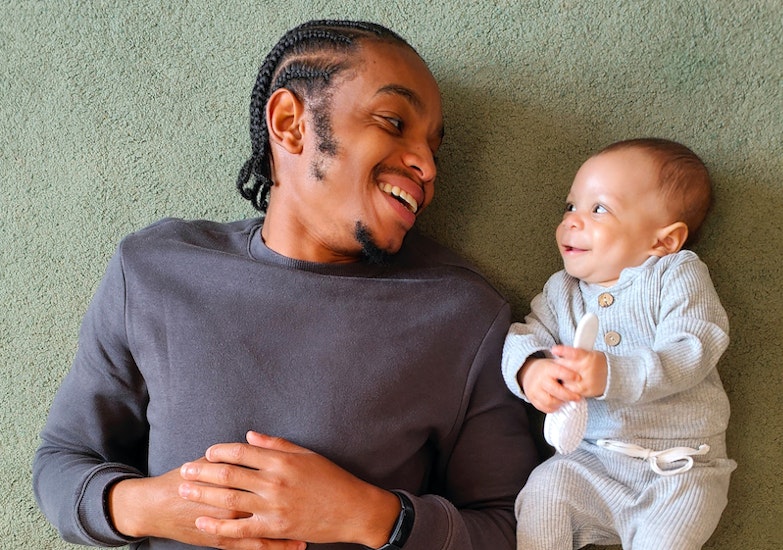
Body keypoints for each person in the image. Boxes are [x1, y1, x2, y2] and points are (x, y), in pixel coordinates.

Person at [33, 19, 538, 550]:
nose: (428, 166)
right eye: (393, 122)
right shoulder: (154, 270)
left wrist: (370, 516)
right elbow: (62, 459)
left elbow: (509, 527)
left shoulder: (463, 315)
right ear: (290, 122)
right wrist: (150, 508)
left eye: (434, 149)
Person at [501, 138, 737, 549]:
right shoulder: (563, 291)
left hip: (681, 470)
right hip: (591, 461)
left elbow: (696, 344)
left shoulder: (675, 274)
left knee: (667, 539)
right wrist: (531, 369)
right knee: (544, 491)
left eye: (599, 209)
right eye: (570, 206)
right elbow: (525, 335)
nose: (572, 221)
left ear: (663, 241)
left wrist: (614, 372)